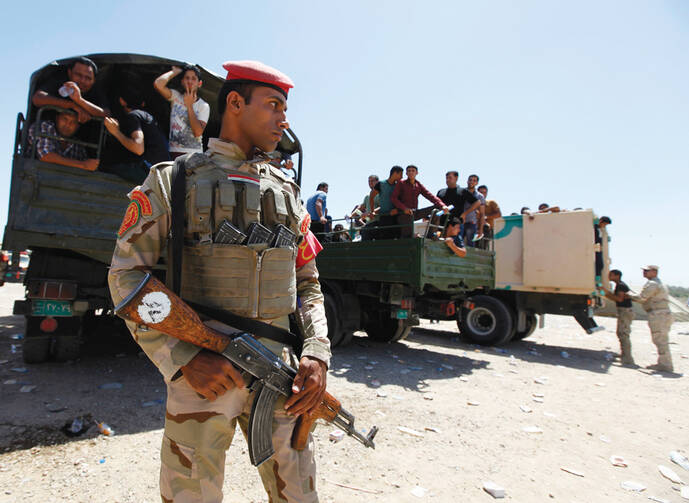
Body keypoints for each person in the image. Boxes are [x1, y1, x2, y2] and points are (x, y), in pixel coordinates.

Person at [108, 60, 330, 502]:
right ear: (233, 102)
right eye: (273, 105)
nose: (283, 119)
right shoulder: (173, 179)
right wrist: (182, 357)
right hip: (205, 374)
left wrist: (317, 354)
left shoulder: (288, 191)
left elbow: (308, 282)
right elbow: (128, 277)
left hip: (283, 375)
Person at [102, 87, 171, 184]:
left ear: (122, 101)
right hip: (163, 172)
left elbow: (138, 148)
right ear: (142, 103)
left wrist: (115, 132)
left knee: (106, 167)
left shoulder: (133, 116)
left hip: (150, 171)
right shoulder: (147, 116)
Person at [154, 65, 211, 158]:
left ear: (199, 83)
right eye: (187, 78)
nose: (190, 81)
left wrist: (189, 106)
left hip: (193, 155)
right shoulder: (176, 97)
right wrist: (175, 72)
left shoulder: (203, 106)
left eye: (193, 78)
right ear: (182, 82)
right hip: (174, 153)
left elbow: (198, 132)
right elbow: (158, 84)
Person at [32, 56, 109, 124]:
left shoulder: (96, 91)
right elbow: (37, 98)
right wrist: (72, 105)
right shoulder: (60, 80)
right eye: (78, 75)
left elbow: (106, 114)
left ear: (94, 81)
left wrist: (80, 101)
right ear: (69, 73)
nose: (83, 81)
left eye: (88, 78)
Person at [627, 265, 674, 372]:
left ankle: (666, 365)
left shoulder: (653, 284)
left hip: (658, 314)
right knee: (661, 339)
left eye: (647, 271)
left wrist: (628, 295)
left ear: (654, 272)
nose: (644, 272)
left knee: (660, 339)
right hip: (662, 313)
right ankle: (664, 363)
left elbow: (642, 298)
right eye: (644, 271)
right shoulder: (658, 283)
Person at [27, 109, 99, 172]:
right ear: (57, 118)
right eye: (65, 119)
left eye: (73, 122)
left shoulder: (78, 146)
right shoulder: (46, 126)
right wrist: (83, 165)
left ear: (77, 127)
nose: (68, 125)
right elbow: (45, 156)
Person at [391, 165, 449, 238]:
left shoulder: (418, 185)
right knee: (408, 236)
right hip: (403, 213)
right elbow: (394, 198)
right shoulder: (401, 183)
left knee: (436, 209)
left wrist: (442, 205)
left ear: (417, 173)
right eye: (409, 171)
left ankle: (431, 234)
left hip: (415, 213)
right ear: (406, 173)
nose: (411, 172)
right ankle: (411, 237)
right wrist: (404, 208)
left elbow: (430, 196)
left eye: (413, 171)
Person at [602, 269, 635, 365]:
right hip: (623, 311)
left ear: (617, 276)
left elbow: (619, 299)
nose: (609, 276)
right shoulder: (619, 285)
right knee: (621, 333)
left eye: (611, 275)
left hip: (625, 311)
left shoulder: (621, 285)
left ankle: (627, 358)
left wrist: (606, 293)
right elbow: (614, 298)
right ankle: (624, 354)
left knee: (623, 333)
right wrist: (605, 293)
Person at [368, 166, 404, 239]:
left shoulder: (398, 186)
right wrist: (372, 212)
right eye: (400, 174)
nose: (402, 177)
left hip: (397, 217)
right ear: (395, 173)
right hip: (385, 218)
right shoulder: (381, 184)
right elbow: (371, 197)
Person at [462, 174, 485, 247]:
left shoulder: (479, 196)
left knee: (470, 245)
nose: (471, 182)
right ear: (467, 181)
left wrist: (481, 230)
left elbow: (482, 214)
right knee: (456, 243)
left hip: (471, 223)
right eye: (470, 180)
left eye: (474, 180)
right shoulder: (461, 192)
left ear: (477, 183)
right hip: (460, 221)